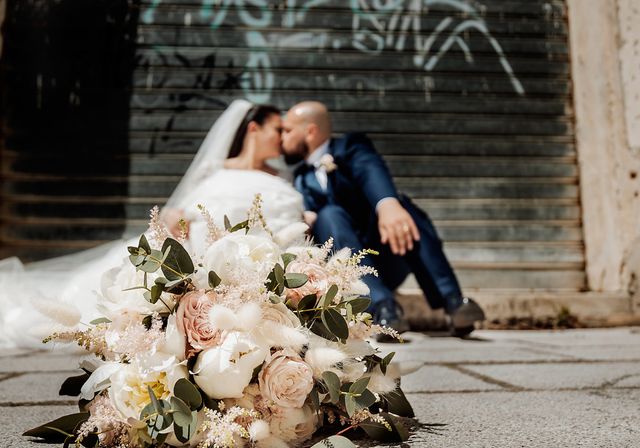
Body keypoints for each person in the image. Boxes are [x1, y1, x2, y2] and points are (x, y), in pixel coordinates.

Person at [0, 100, 304, 348]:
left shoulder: (281, 178)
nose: (283, 137)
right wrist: (174, 221)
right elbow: (181, 209)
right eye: (278, 129)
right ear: (254, 129)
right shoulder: (214, 170)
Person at [281, 101, 484, 338]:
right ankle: (383, 309)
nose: (282, 138)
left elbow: (369, 168)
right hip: (350, 274)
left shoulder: (351, 146)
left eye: (287, 130)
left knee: (403, 209)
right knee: (329, 214)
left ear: (310, 131)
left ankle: (454, 302)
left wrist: (387, 203)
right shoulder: (300, 178)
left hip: (389, 250)